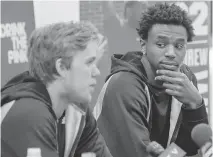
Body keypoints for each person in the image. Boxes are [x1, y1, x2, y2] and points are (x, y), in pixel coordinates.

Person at [94, 3, 209, 157]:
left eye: (179, 46)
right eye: (161, 44)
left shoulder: (185, 79)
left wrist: (196, 105)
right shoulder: (123, 85)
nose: (171, 53)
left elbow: (189, 149)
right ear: (143, 44)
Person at [1, 21, 111, 157]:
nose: (96, 72)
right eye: (89, 62)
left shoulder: (77, 110)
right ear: (62, 67)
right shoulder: (28, 112)